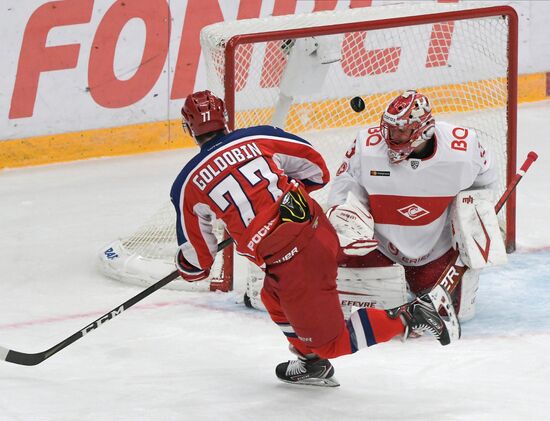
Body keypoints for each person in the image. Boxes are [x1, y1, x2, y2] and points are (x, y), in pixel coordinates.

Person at [170, 90, 458, 388]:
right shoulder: (257, 137)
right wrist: (278, 201)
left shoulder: (187, 184)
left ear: (190, 129)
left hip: (295, 262)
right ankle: (312, 364)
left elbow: (198, 262)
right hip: (319, 229)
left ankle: (413, 315)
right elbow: (317, 171)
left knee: (331, 342)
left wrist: (187, 263)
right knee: (272, 296)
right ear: (226, 118)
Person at [327, 90, 498, 321]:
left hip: (434, 252)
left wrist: (480, 215)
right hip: (378, 248)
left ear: (423, 131)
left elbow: (484, 184)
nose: (389, 136)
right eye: (388, 128)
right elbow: (343, 188)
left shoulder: (463, 149)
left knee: (454, 314)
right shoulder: (366, 146)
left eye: (400, 130)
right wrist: (343, 220)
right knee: (342, 301)